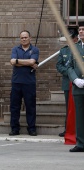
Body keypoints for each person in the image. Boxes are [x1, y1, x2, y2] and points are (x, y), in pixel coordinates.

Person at [9, 30, 39, 136]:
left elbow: (32, 62)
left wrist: (18, 61)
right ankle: (14, 129)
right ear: (20, 39)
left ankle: (31, 128)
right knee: (14, 107)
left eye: (26, 37)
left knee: (30, 106)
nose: (24, 39)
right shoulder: (15, 49)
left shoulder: (34, 49)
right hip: (16, 82)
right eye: (22, 38)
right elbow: (12, 61)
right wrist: (28, 63)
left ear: (30, 38)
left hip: (29, 83)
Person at [56, 26, 79, 137]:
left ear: (75, 38)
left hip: (80, 82)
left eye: (72, 38)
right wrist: (70, 73)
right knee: (68, 107)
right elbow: (59, 66)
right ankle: (68, 129)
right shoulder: (64, 50)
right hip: (68, 83)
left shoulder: (80, 49)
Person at [68, 22, 84, 152]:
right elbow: (69, 66)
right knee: (79, 116)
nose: (81, 32)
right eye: (80, 30)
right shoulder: (74, 47)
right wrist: (75, 79)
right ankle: (80, 143)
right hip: (78, 87)